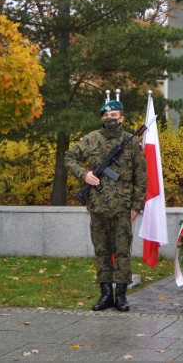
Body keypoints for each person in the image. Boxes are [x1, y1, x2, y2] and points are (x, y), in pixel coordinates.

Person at [66, 99, 147, 312]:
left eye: (114, 116)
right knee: (101, 251)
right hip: (98, 206)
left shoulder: (130, 143)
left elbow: (141, 177)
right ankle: (105, 295)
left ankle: (121, 295)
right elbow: (69, 157)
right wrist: (85, 175)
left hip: (123, 208)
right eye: (106, 116)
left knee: (122, 252)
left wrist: (136, 206)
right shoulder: (91, 139)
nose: (109, 119)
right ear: (102, 117)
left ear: (122, 118)